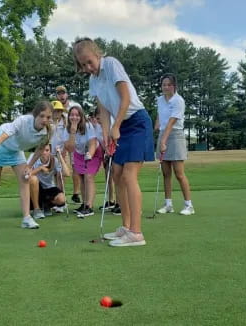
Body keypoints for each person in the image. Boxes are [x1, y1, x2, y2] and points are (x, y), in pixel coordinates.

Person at [73, 38, 154, 247]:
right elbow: (103, 109)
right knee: (116, 174)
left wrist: (116, 126)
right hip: (120, 126)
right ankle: (126, 227)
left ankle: (136, 233)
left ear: (97, 54)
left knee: (128, 175)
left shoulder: (111, 64)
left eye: (89, 62)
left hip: (136, 122)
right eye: (83, 65)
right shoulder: (93, 80)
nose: (88, 68)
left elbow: (125, 98)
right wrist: (106, 134)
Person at [0, 101, 53, 229]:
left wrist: (29, 166)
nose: (44, 120)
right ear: (35, 115)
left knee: (25, 179)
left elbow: (40, 149)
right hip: (0, 147)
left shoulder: (49, 131)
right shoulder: (22, 121)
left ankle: (26, 218)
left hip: (16, 151)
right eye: (41, 116)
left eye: (48, 117)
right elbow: (4, 136)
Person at [154, 73, 194, 215]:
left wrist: (164, 140)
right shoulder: (159, 99)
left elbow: (172, 121)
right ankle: (168, 204)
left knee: (179, 173)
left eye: (168, 84)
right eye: (163, 84)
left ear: (174, 86)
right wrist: (157, 124)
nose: (165, 87)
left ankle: (189, 205)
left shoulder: (178, 101)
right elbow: (160, 115)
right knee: (166, 173)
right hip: (163, 134)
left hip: (175, 135)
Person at [63, 104, 103, 218]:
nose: (74, 117)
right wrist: (73, 132)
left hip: (93, 152)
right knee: (81, 178)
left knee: (88, 177)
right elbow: (70, 148)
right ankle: (84, 204)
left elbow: (93, 143)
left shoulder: (88, 126)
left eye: (77, 115)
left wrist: (90, 154)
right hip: (78, 153)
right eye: (72, 115)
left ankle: (89, 207)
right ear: (69, 116)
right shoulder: (67, 129)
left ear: (81, 116)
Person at [28, 144, 70, 219]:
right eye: (42, 150)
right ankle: (36, 209)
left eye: (47, 150)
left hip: (49, 188)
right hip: (36, 189)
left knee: (62, 200)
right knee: (33, 179)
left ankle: (46, 205)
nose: (44, 153)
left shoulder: (54, 160)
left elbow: (67, 174)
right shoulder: (33, 157)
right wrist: (40, 168)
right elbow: (26, 176)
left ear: (50, 151)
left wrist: (60, 156)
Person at [56, 85, 82, 204]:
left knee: (76, 167)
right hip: (62, 142)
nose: (61, 95)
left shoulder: (75, 106)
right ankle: (61, 194)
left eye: (63, 93)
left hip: (76, 141)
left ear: (67, 94)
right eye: (59, 93)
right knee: (62, 169)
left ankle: (76, 193)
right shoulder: (56, 107)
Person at [90, 108, 118, 214]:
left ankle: (119, 203)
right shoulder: (97, 127)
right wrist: (105, 154)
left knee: (116, 176)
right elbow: (99, 142)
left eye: (100, 118)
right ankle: (111, 200)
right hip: (106, 153)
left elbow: (113, 140)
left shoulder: (111, 124)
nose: (99, 121)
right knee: (108, 177)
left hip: (116, 151)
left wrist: (109, 152)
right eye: (97, 118)